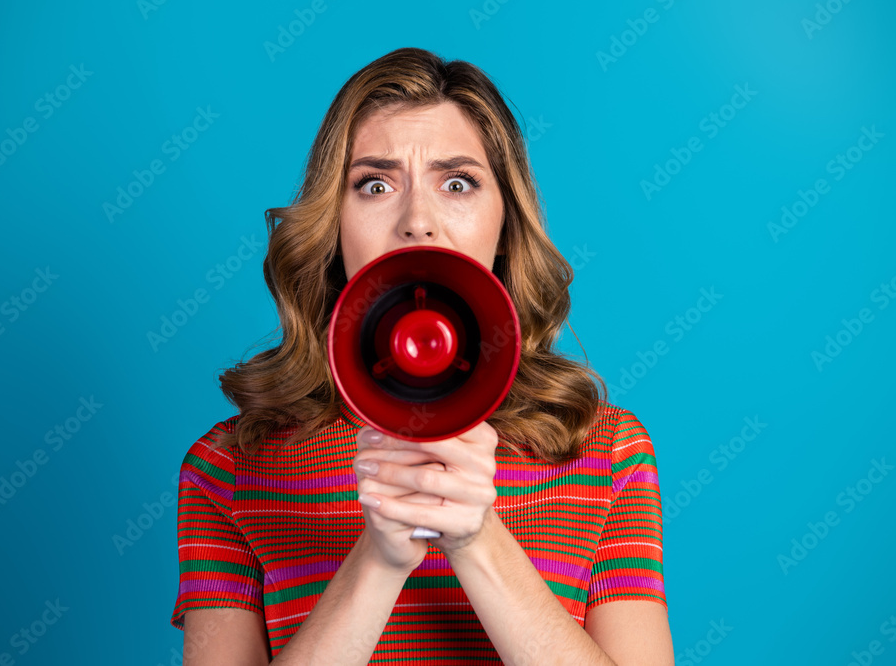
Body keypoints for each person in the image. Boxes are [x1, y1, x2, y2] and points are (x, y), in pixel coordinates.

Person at [170, 47, 675, 665]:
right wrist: (379, 558)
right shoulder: (228, 467)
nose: (418, 221)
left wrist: (476, 537)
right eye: (374, 184)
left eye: (457, 182)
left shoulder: (607, 451)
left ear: (505, 225)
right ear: (333, 226)